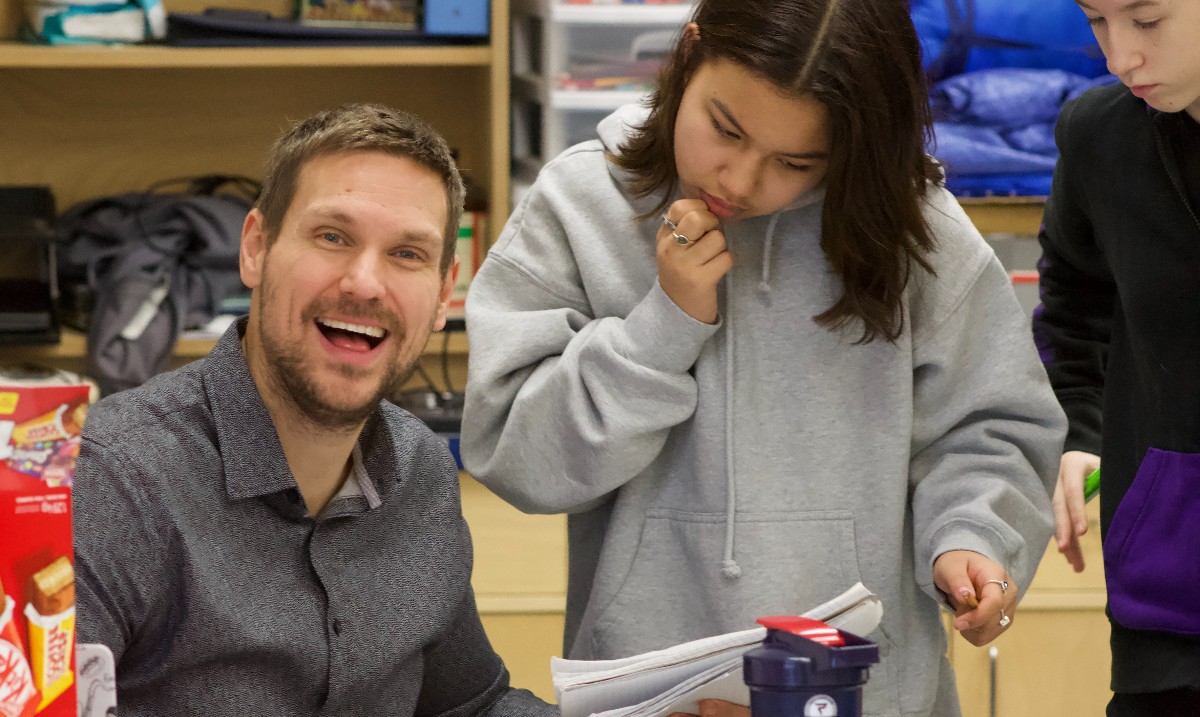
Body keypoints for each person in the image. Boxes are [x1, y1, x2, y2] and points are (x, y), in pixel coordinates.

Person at [460, 0, 1067, 714]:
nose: (739, 181)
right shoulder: (581, 201)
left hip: (864, 693)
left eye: (795, 162)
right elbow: (517, 456)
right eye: (726, 129)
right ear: (688, 55)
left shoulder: (915, 230)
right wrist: (662, 329)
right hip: (651, 691)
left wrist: (974, 536)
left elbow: (992, 430)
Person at [72, 103, 557, 717]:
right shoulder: (111, 481)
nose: (365, 282)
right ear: (256, 248)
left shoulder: (419, 470)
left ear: (443, 294)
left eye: (407, 254)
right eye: (333, 237)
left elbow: (471, 706)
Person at [1031, 0, 1200, 713]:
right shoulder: (1099, 138)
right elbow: (1076, 299)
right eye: (1096, 21)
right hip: (1168, 605)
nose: (1117, 57)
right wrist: (1081, 428)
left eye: (1147, 20)